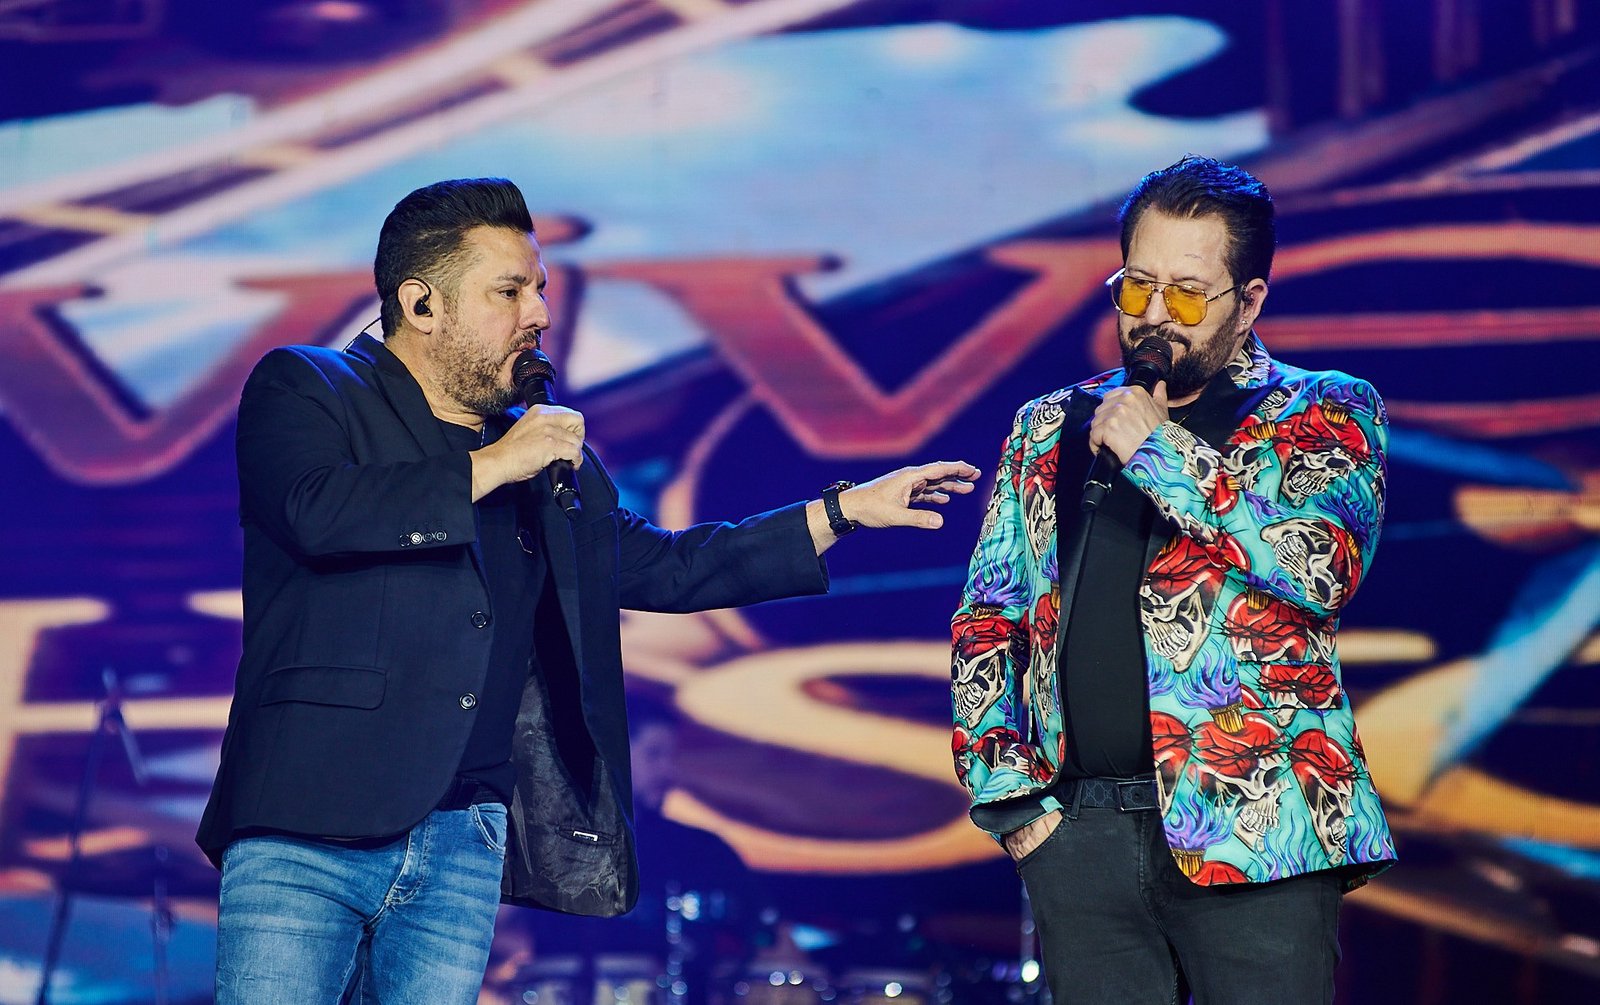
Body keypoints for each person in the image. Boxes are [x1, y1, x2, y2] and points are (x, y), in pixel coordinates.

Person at [197, 176, 979, 1003]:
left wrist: (839, 511)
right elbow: (316, 510)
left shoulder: (536, 454)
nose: (538, 313)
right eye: (509, 292)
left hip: (461, 835)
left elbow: (666, 565)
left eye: (539, 289)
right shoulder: (309, 387)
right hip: (308, 822)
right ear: (422, 304)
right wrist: (497, 464)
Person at [949, 155, 1396, 1004]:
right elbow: (989, 616)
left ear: (1248, 302)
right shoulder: (1049, 425)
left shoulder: (1323, 410)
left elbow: (1319, 566)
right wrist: (1012, 802)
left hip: (1258, 833)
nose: (1155, 315)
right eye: (1136, 286)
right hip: (1078, 836)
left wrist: (1158, 449)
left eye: (1188, 295)